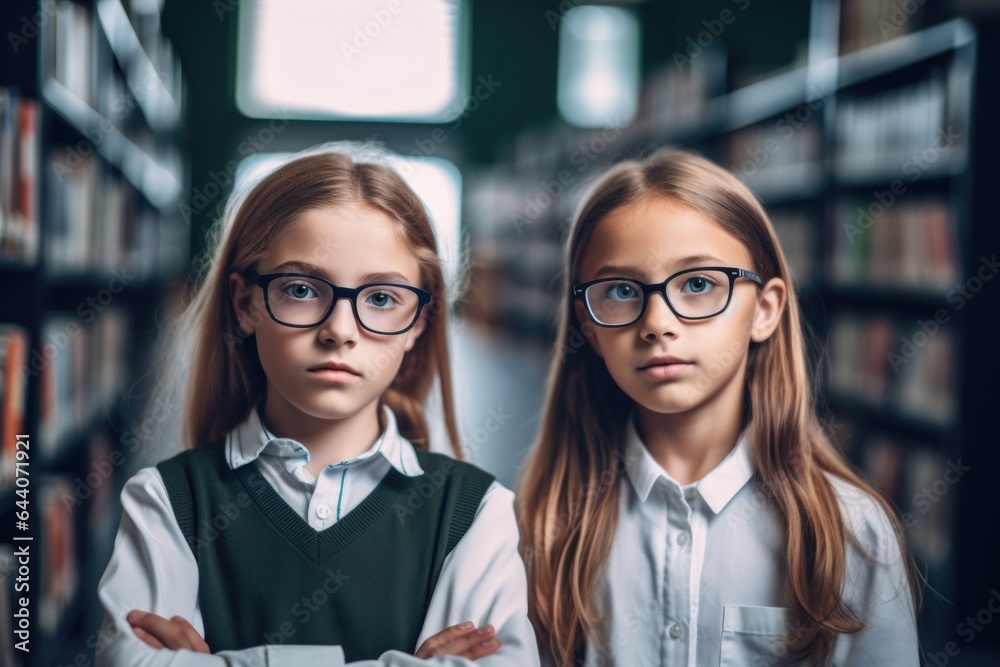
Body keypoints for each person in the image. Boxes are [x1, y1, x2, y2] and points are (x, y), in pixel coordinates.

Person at [94, 144, 540, 666]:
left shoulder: (475, 513)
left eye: (381, 298)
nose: (339, 332)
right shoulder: (167, 503)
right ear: (245, 304)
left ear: (419, 322)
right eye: (302, 289)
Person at [515, 148, 922, 666]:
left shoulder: (852, 533)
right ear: (589, 326)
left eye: (700, 284)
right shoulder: (541, 526)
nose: (658, 323)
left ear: (765, 310)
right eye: (620, 290)